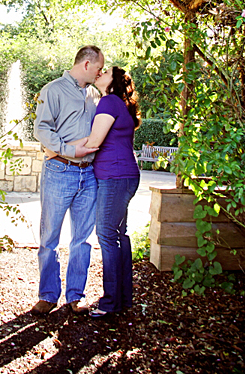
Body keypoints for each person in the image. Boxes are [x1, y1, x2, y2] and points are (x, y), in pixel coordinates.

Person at [31, 45, 105, 315]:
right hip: (60, 171)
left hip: (89, 174)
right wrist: (68, 150)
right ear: (86, 64)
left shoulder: (95, 94)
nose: (100, 73)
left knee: (82, 239)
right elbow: (41, 129)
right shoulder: (52, 90)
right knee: (49, 237)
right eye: (98, 68)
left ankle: (76, 295)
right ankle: (48, 295)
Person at [71, 66, 142, 318]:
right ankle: (123, 299)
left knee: (107, 235)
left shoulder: (109, 102)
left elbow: (93, 142)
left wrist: (58, 147)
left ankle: (111, 302)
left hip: (115, 177)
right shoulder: (117, 103)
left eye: (106, 71)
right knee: (118, 235)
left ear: (114, 81)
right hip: (124, 176)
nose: (100, 73)